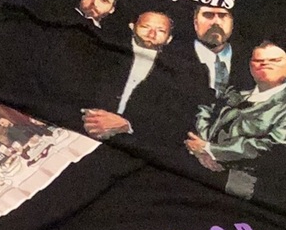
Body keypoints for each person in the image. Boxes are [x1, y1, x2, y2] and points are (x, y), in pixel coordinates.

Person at [185, 41, 286, 199]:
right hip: (198, 175)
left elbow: (273, 148)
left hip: (245, 187)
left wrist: (212, 150)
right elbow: (205, 112)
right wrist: (202, 149)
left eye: (274, 60)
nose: (264, 64)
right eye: (258, 60)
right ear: (250, 66)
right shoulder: (235, 94)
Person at [82, 11, 212, 143]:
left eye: (160, 31)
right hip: (83, 129)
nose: (151, 34)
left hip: (140, 143)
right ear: (132, 27)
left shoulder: (186, 72)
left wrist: (128, 125)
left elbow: (181, 120)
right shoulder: (104, 52)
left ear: (169, 38)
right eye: (145, 27)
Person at [193, 5, 251, 96]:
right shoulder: (174, 58)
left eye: (222, 15)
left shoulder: (251, 59)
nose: (216, 22)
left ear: (232, 23)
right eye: (208, 15)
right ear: (196, 23)